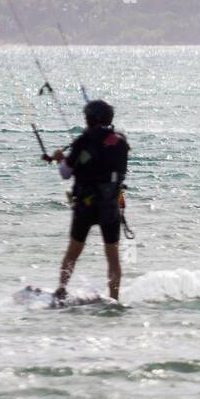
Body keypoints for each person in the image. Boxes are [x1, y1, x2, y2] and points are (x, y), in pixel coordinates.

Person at [45, 99, 130, 301]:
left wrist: (59, 159)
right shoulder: (121, 141)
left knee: (73, 252)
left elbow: (66, 173)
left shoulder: (84, 141)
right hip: (110, 204)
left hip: (86, 205)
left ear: (90, 119)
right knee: (113, 257)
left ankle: (61, 290)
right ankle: (115, 299)